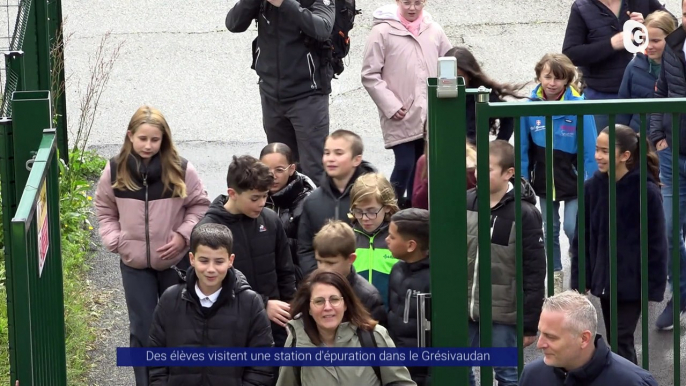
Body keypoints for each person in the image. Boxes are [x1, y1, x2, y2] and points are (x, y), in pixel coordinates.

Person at [94, 106, 211, 386]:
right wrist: (115, 240)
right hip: (134, 265)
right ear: (130, 136)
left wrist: (183, 235)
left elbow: (200, 205)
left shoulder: (181, 169)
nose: (148, 145)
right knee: (142, 329)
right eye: (143, 138)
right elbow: (104, 208)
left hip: (175, 263)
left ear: (164, 140)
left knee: (180, 327)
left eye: (155, 139)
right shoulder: (114, 170)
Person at [571, 125, 668, 364]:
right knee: (616, 339)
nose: (598, 156)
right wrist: (580, 277)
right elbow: (581, 237)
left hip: (632, 282)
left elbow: (657, 243)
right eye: (597, 149)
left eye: (605, 151)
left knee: (621, 340)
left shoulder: (647, 192)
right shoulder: (592, 188)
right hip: (604, 279)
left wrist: (654, 287)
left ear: (625, 155)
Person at [148, 223, 274, 386]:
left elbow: (261, 365)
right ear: (192, 259)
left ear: (231, 260)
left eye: (219, 261)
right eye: (204, 260)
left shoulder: (250, 304)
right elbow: (156, 358)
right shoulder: (170, 300)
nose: (211, 269)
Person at [225, 0, 335, 185]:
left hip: (308, 95)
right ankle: (283, 213)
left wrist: (284, 3)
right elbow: (233, 24)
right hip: (271, 95)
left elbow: (322, 28)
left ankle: (314, 213)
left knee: (313, 170)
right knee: (279, 168)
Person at [466, 140, 546, 386]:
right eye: (477, 167)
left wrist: (529, 324)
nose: (479, 174)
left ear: (508, 173)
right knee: (458, 366)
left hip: (503, 313)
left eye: (487, 168)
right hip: (466, 307)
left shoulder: (524, 214)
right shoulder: (467, 201)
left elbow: (534, 271)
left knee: (507, 374)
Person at [194, 155, 296, 348]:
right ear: (232, 193)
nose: (262, 203)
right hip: (230, 326)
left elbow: (285, 270)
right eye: (255, 198)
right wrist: (263, 304)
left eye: (266, 196)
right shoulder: (208, 230)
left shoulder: (270, 220)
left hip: (274, 323)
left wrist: (291, 306)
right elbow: (209, 284)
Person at [520, 53, 598, 295]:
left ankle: (580, 263)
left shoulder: (579, 105)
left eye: (559, 78)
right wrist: (523, 181)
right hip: (543, 180)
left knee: (573, 227)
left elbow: (590, 148)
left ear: (567, 80)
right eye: (547, 77)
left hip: (574, 180)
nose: (552, 83)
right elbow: (522, 149)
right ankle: (554, 274)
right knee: (549, 229)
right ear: (539, 77)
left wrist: (592, 181)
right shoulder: (529, 108)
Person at [361, 0, 452, 205]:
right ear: (397, 2)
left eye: (417, 3)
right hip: (399, 113)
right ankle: (385, 210)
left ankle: (413, 214)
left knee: (421, 167)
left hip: (429, 113)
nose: (412, 8)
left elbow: (450, 64)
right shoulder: (382, 32)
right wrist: (391, 106)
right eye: (407, 2)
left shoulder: (434, 30)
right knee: (405, 164)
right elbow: (370, 75)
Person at [276, 270, 416, 386]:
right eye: (319, 301)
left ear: (345, 304)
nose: (328, 307)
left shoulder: (374, 337)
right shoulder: (296, 343)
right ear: (309, 309)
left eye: (334, 299)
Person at [562, 0, 668, 130]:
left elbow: (671, 26)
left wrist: (648, 22)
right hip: (603, 97)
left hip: (642, 94)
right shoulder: (582, 7)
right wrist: (611, 44)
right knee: (606, 146)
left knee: (641, 148)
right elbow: (570, 54)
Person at [519, 291, 659, 386]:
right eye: (541, 333)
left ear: (584, 338)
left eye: (551, 337)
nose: (539, 344)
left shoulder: (633, 382)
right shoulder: (532, 376)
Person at [648, 0, 686, 330]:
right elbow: (661, 93)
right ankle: (680, 295)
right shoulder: (675, 44)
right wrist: (658, 135)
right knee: (670, 230)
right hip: (674, 157)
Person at [297, 130, 377, 276]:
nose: (330, 159)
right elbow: (306, 248)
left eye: (338, 153)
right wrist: (319, 278)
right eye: (327, 153)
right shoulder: (312, 201)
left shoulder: (374, 197)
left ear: (356, 160)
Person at [445, 46, 527, 145]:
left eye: (459, 78)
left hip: (475, 155)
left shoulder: (480, 94)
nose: (454, 82)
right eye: (450, 77)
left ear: (469, 75)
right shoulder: (439, 95)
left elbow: (508, 116)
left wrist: (498, 145)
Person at [385, 208, 431, 386]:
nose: (387, 240)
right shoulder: (397, 270)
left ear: (411, 245)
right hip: (398, 367)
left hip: (420, 372)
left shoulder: (433, 280)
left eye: (392, 237)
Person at [260, 142, 317, 285]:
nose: (272, 176)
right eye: (266, 170)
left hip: (297, 280)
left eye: (279, 170)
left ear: (291, 169)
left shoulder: (308, 202)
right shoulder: (252, 196)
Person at [313, 219, 387, 325]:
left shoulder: (368, 298)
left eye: (331, 263)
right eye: (319, 261)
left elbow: (374, 338)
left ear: (351, 259)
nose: (323, 269)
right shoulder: (311, 288)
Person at [618, 10, 677, 132]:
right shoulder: (634, 66)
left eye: (655, 41)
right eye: (645, 39)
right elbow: (622, 110)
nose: (649, 46)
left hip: (669, 143)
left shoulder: (679, 69)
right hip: (638, 141)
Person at [350, 172, 400, 307]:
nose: (365, 218)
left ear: (387, 207)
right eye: (358, 211)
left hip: (390, 317)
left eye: (372, 211)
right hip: (357, 317)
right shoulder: (348, 239)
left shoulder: (399, 239)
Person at [412, 138, 476, 210]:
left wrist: (469, 171)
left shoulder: (473, 160)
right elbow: (417, 203)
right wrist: (433, 175)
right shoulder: (424, 161)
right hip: (433, 216)